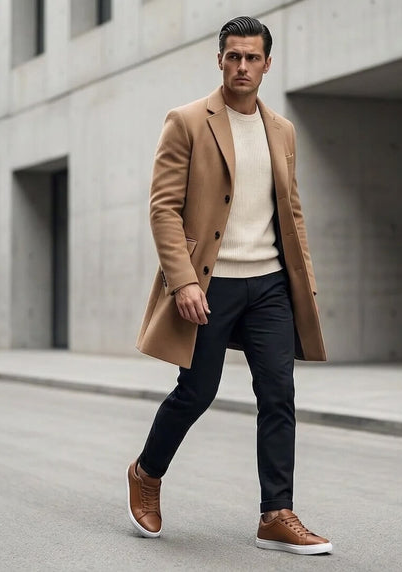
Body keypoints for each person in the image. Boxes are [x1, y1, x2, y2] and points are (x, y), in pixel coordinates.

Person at [129, 15, 331, 556]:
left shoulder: (283, 130)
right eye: (233, 56)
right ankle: (146, 474)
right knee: (196, 393)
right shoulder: (188, 121)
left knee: (279, 394)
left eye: (252, 57)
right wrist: (183, 281)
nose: (242, 66)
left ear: (268, 63)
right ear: (219, 59)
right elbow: (163, 209)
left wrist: (302, 283)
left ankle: (276, 513)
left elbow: (291, 212)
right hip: (209, 286)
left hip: (268, 284)